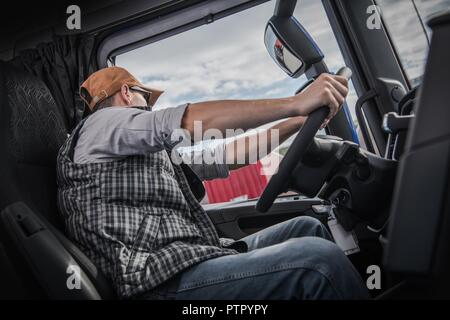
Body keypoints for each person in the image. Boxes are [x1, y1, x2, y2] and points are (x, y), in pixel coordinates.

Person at [56, 66, 369, 300]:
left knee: (306, 226)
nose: (148, 106)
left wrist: (298, 122)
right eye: (144, 98)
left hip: (187, 259)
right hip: (159, 284)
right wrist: (294, 102)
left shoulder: (145, 152)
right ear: (127, 92)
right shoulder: (100, 125)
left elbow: (227, 154)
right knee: (319, 263)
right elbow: (186, 122)